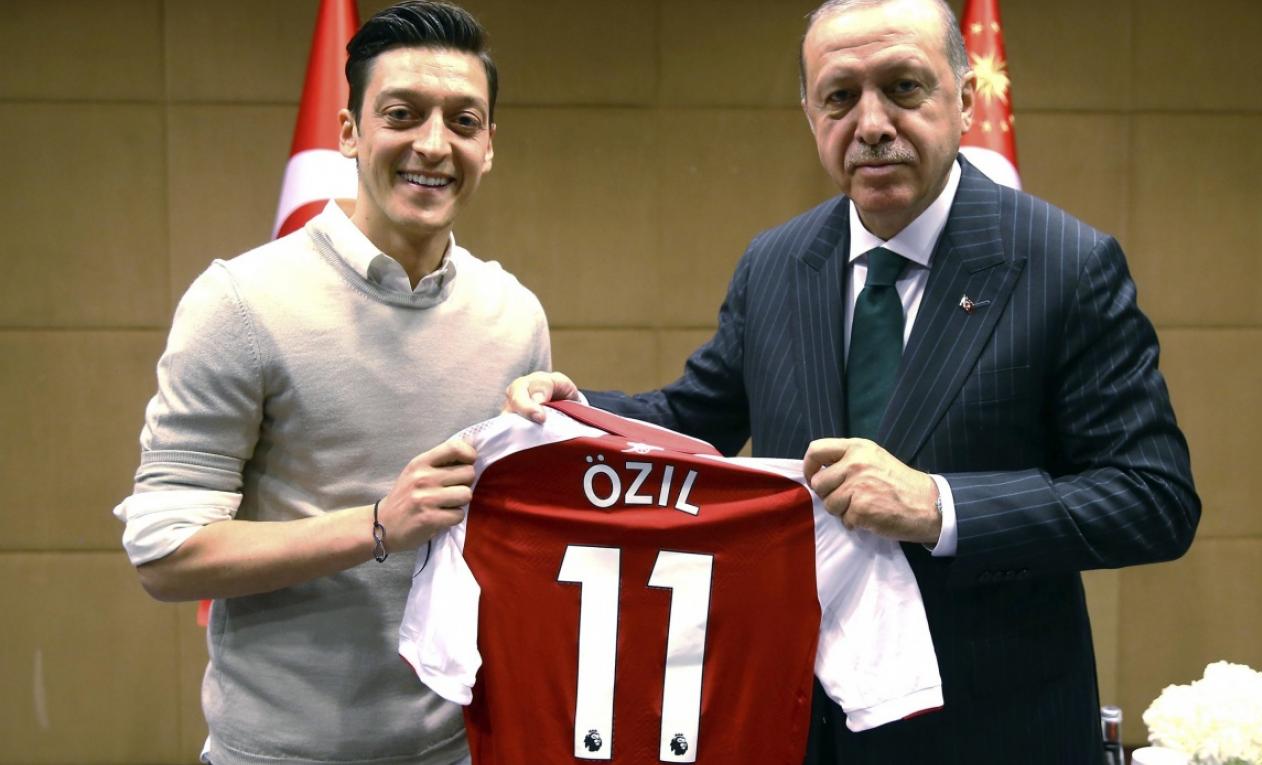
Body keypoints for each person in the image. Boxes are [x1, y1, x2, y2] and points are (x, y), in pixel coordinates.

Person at [505, 0, 1199, 761]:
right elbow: (694, 419)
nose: (871, 124)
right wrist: (576, 414)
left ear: (966, 99)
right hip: (799, 727)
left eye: (903, 87)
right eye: (839, 96)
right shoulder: (777, 263)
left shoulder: (1066, 264)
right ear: (810, 115)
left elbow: (1152, 498)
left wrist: (938, 507)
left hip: (990, 730)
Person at [112, 3, 549, 763]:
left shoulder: (515, 316)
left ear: (488, 146)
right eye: (402, 115)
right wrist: (379, 523)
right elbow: (166, 556)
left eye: (463, 121)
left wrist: (563, 434)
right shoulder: (239, 303)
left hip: (456, 751)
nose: (433, 144)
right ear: (349, 131)